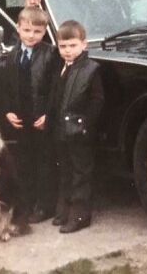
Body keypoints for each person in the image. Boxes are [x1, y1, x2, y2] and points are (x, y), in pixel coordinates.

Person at [4, 7, 59, 223]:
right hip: (21, 118)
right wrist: (8, 111)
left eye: (36, 31)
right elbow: (7, 87)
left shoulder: (50, 54)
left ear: (44, 31)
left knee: (44, 162)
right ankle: (26, 203)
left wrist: (48, 115)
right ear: (18, 29)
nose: (31, 35)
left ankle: (45, 206)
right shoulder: (13, 55)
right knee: (23, 162)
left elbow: (56, 89)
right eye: (26, 30)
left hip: (41, 118)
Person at [49, 20, 104, 233]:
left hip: (79, 131)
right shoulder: (62, 67)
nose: (67, 51)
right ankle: (64, 209)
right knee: (65, 170)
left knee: (81, 172)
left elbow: (97, 101)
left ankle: (81, 215)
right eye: (63, 46)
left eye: (72, 46)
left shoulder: (90, 69)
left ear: (84, 44)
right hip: (62, 130)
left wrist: (85, 124)